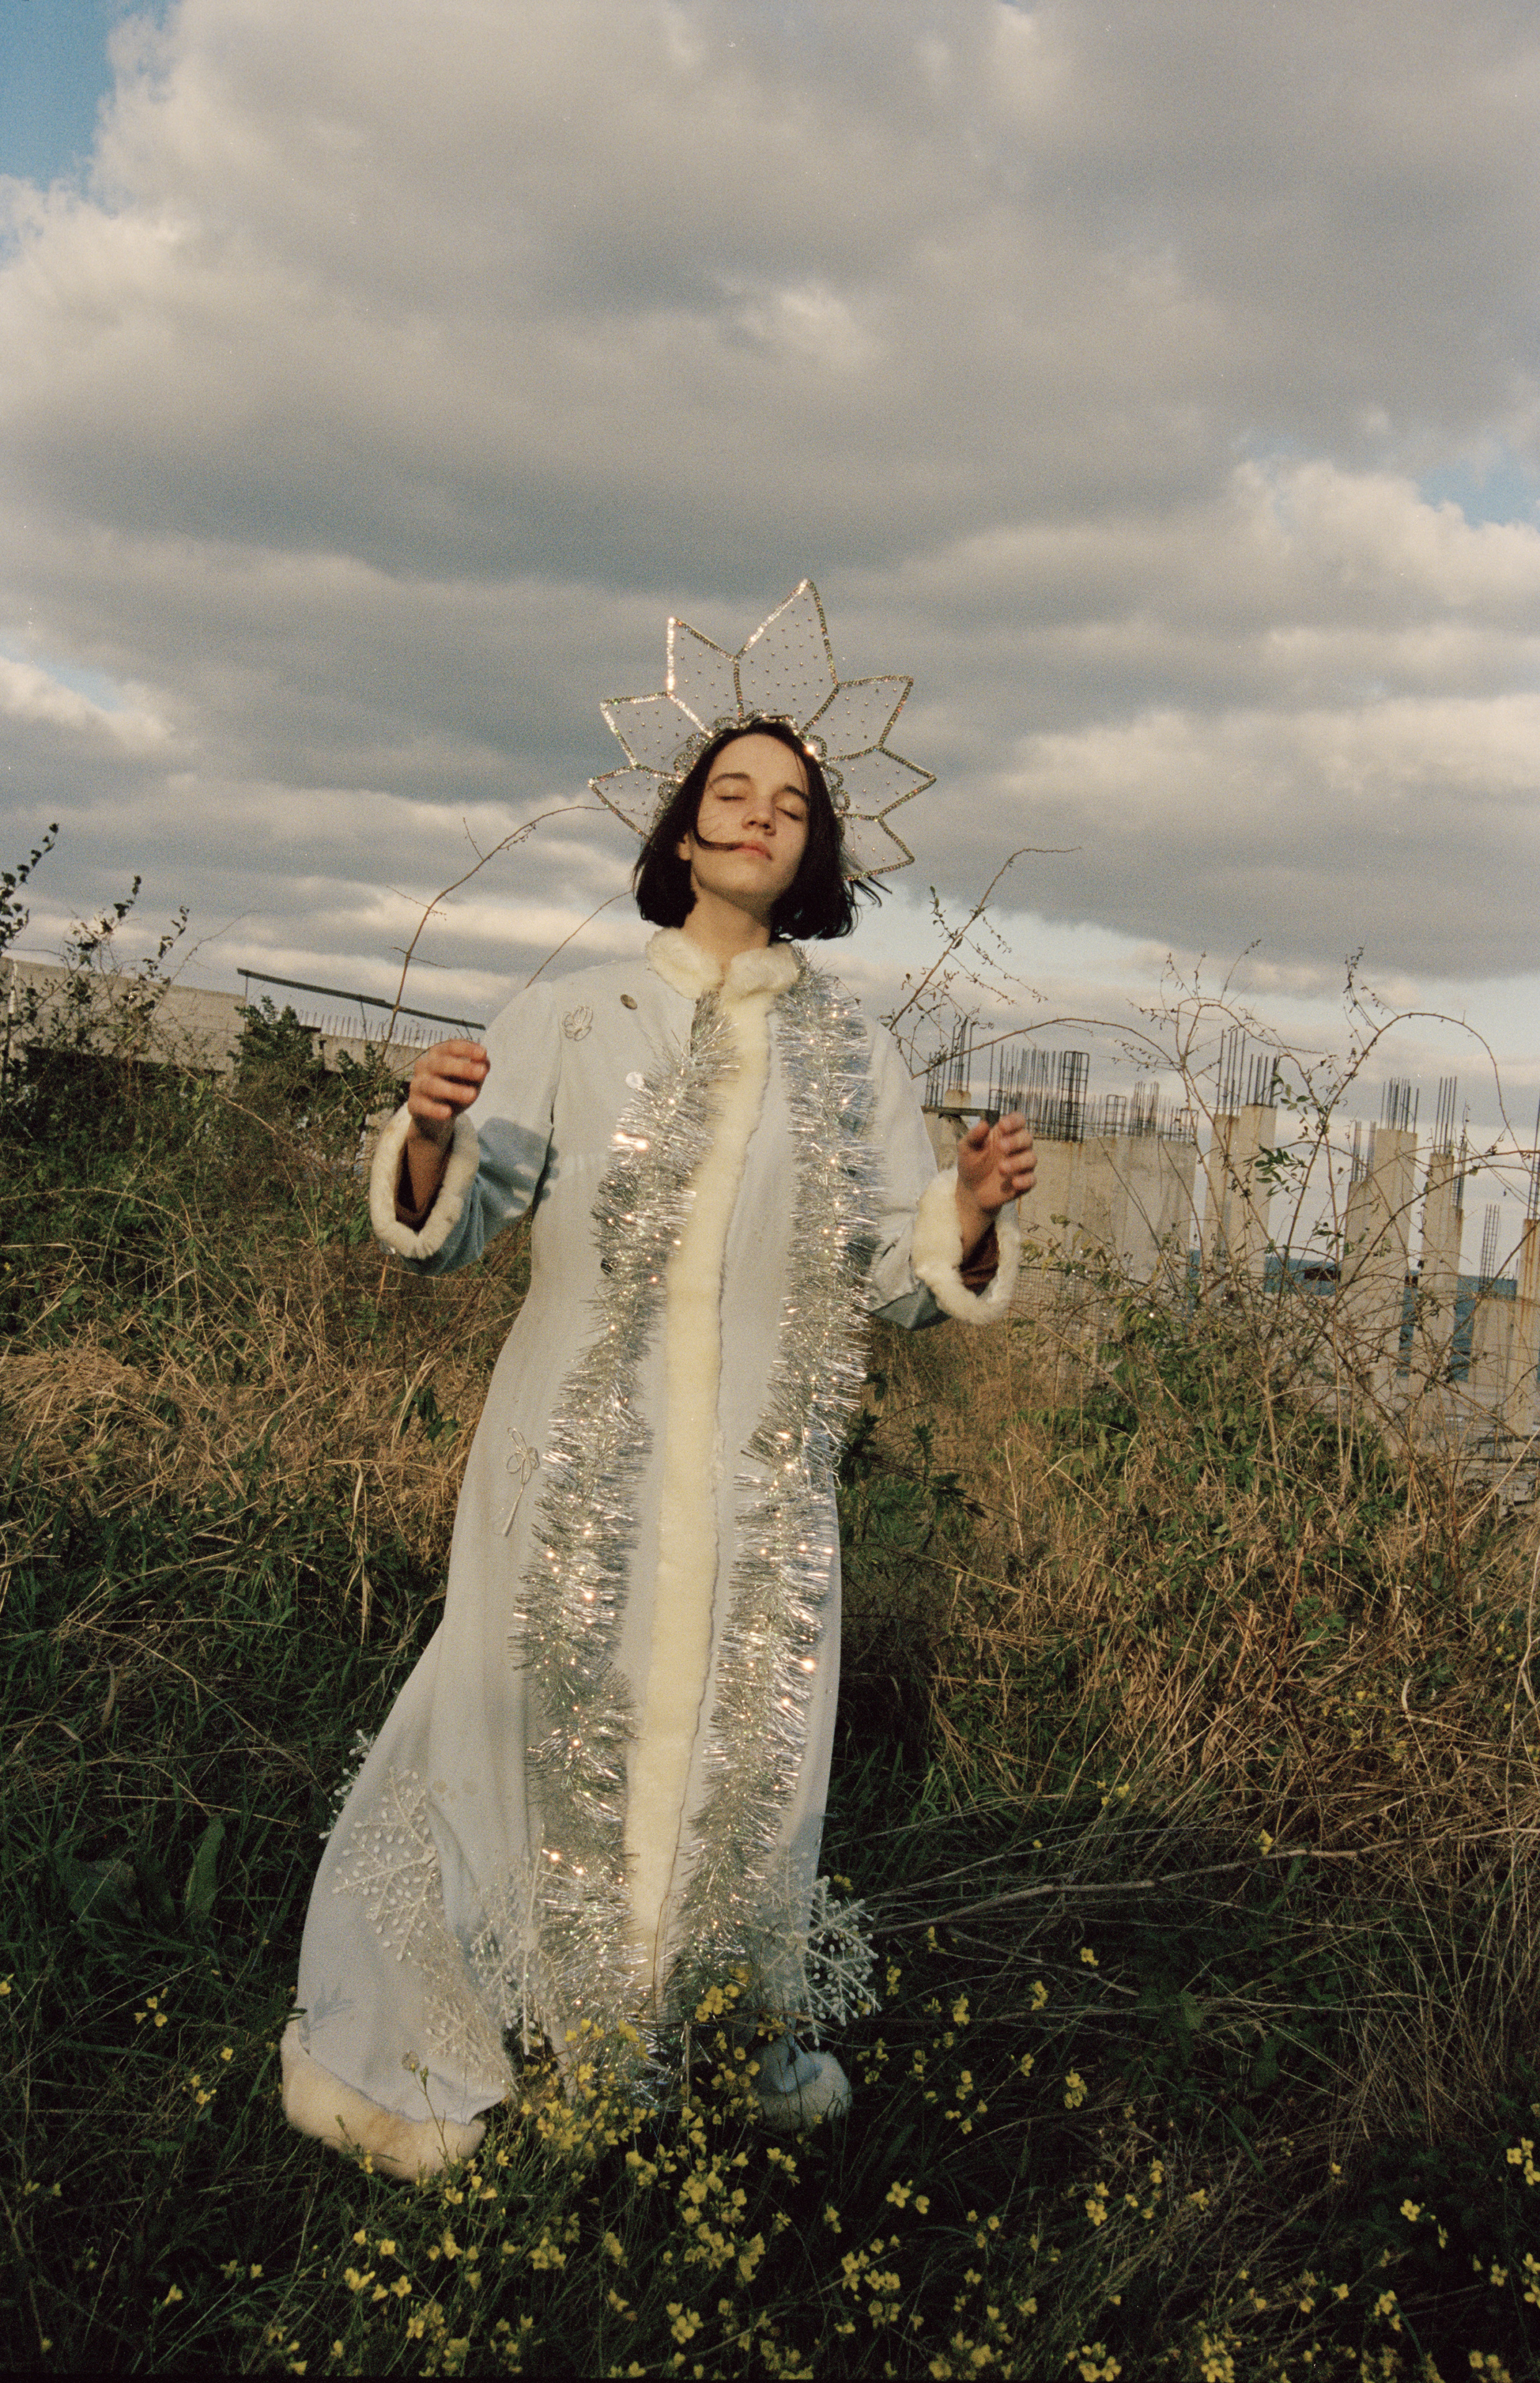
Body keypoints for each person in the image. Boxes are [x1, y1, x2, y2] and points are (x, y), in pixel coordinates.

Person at [281, 585, 1034, 2178]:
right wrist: (424, 1140)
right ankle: (418, 2044)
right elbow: (466, 1212)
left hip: (767, 1473)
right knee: (517, 1720)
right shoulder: (572, 1013)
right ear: (683, 836)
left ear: (813, 853)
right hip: (571, 1460)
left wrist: (960, 1214)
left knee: (741, 1750)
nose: (758, 818)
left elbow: (897, 1284)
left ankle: (691, 2034)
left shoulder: (855, 1057)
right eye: (728, 793)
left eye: (791, 803)